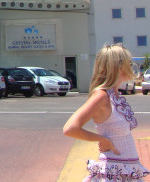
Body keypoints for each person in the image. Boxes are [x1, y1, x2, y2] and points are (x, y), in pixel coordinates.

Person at [63, 43, 149, 181]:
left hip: (125, 172)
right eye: (128, 62)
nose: (131, 66)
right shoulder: (101, 96)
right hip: (114, 173)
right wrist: (102, 139)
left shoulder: (113, 96)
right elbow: (70, 128)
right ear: (118, 67)